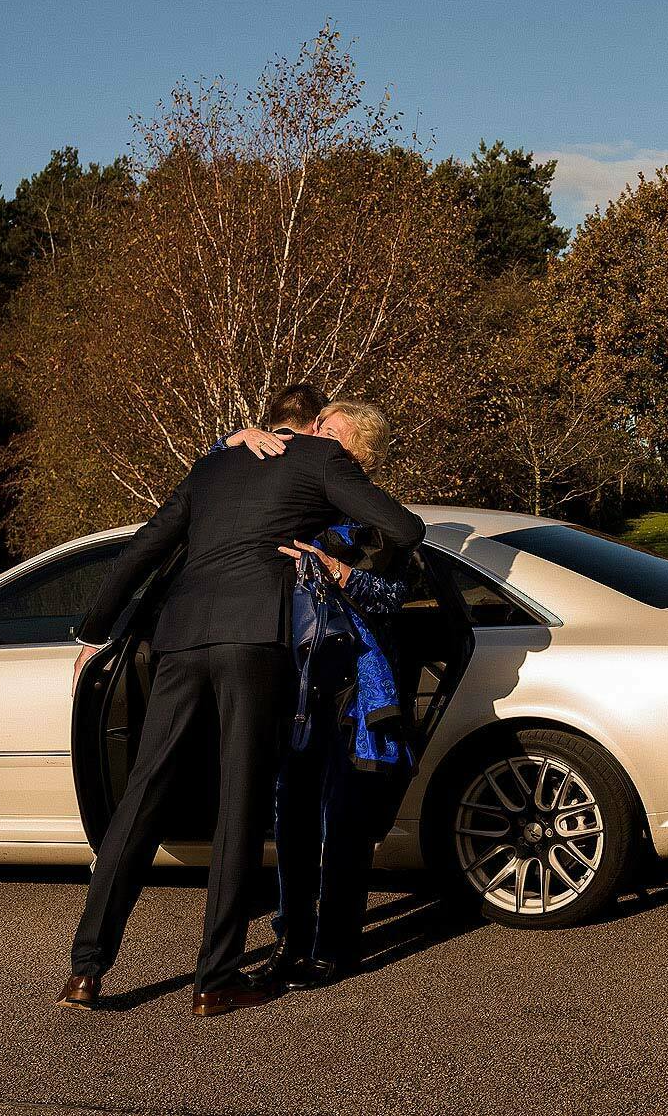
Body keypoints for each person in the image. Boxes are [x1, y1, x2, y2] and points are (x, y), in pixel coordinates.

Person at [56, 385, 424, 1017]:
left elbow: (143, 549)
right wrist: (334, 557)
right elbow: (405, 527)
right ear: (313, 428)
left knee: (144, 793)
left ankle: (85, 970)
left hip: (182, 637)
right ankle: (216, 976)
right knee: (241, 805)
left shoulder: (216, 462)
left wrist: (94, 634)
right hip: (256, 641)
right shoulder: (321, 462)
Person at [218, 401, 422, 989]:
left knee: (346, 823)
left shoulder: (375, 519)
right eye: (316, 430)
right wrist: (237, 438)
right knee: (294, 818)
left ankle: (335, 945)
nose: (315, 440)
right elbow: (212, 491)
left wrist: (340, 572)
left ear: (358, 453)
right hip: (292, 686)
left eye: (331, 434)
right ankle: (292, 940)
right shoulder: (292, 506)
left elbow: (394, 597)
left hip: (353, 691)